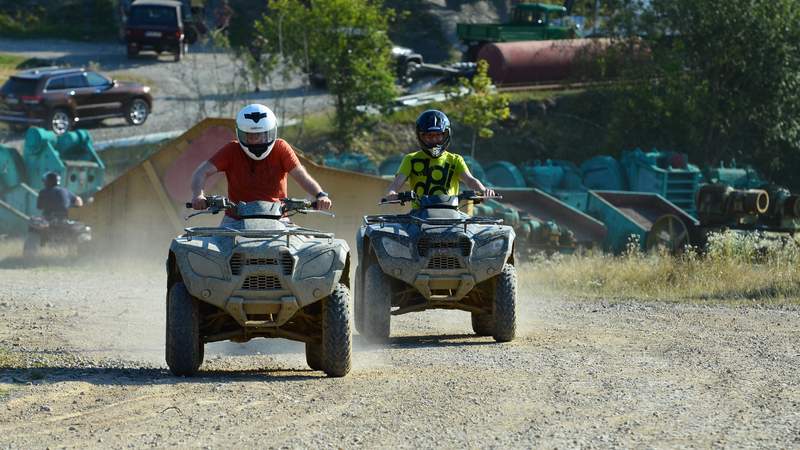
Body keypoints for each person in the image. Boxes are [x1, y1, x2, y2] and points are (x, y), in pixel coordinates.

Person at [190, 103, 332, 225]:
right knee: (215, 253)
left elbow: (301, 175)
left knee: (301, 251)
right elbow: (201, 172)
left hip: (278, 218)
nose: (255, 140)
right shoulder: (231, 150)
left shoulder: (281, 147)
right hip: (236, 219)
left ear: (271, 133)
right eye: (250, 136)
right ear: (240, 134)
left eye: (260, 135)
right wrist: (198, 195)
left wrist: (320, 195)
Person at [384, 109, 495, 206]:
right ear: (421, 136)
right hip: (419, 216)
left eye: (438, 135)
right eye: (429, 136)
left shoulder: (455, 160)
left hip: (451, 216)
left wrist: (483, 191)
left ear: (445, 135)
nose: (434, 140)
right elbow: (396, 183)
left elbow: (470, 180)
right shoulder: (410, 159)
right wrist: (391, 193)